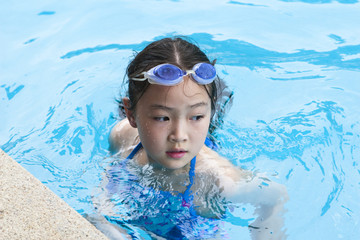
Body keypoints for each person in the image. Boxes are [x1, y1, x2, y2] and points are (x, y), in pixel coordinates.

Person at [95, 37, 288, 240]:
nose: (179, 136)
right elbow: (109, 181)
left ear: (209, 112)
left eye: (196, 117)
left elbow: (275, 194)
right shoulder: (122, 136)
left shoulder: (219, 180)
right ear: (131, 114)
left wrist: (265, 232)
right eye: (162, 118)